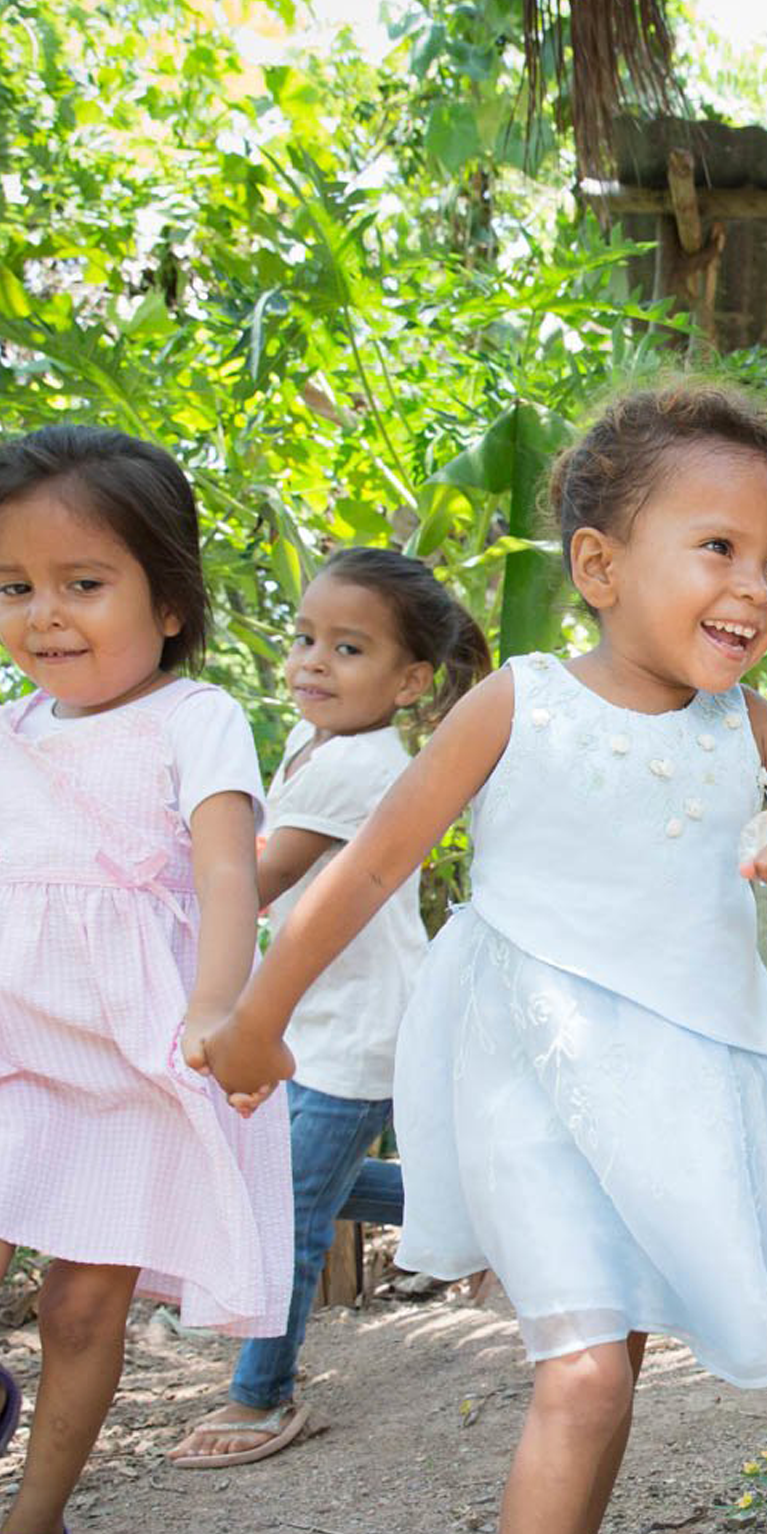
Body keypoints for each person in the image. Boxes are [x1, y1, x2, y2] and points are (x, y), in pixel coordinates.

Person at [201, 381, 767, 1534]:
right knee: (586, 1364)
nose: (756, 586)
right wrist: (260, 1016)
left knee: (617, 1354)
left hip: (672, 1071)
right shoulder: (517, 701)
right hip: (523, 1058)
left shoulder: (756, 731)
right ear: (601, 568)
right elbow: (372, 867)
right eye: (716, 548)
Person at [0, 424, 289, 1534]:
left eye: (82, 583)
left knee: (82, 1311)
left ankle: (32, 1527)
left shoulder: (195, 718)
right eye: (14, 586)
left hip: (139, 1051)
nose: (43, 614)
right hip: (10, 1050)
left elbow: (223, 873)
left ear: (167, 598)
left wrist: (220, 1007)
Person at [171, 549, 490, 1467]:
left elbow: (261, 876)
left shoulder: (361, 766)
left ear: (409, 681)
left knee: (291, 1209)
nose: (313, 660)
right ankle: (485, 1213)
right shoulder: (319, 747)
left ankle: (260, 1397)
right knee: (302, 1184)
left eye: (347, 649)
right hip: (317, 1020)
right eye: (305, 637)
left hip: (359, 1031)